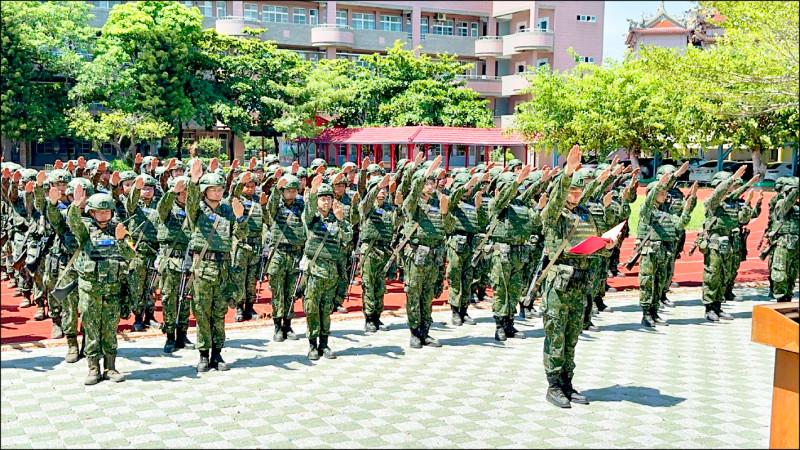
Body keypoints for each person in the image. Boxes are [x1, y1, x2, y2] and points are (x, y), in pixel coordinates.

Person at [537, 145, 618, 408]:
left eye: (579, 189)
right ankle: (554, 386)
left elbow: (593, 244)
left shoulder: (585, 213)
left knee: (572, 335)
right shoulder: (554, 213)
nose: (576, 193)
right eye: (572, 189)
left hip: (581, 281)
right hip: (559, 282)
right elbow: (557, 197)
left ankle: (568, 382)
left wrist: (606, 246)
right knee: (556, 334)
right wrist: (569, 170)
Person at [65, 187, 135, 385]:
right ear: (92, 213)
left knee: (110, 331)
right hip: (90, 291)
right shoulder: (86, 230)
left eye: (107, 211)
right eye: (99, 211)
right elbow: (73, 223)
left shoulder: (120, 230)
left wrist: (121, 240)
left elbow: (130, 256)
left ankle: (110, 368)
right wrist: (75, 206)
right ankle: (93, 368)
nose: (103, 215)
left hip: (112, 291)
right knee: (92, 330)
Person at [185, 158, 248, 372]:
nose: (218, 192)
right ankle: (203, 355)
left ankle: (218, 353)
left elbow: (240, 234)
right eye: (213, 189)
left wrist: (240, 219)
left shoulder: (228, 211)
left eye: (221, 189)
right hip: (203, 267)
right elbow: (190, 201)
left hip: (223, 267)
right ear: (205, 191)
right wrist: (193, 183)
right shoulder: (197, 210)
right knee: (202, 312)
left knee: (219, 312)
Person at [401, 156, 454, 349]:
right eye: (426, 183)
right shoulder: (412, 204)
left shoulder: (438, 203)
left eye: (432, 183)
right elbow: (413, 189)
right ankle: (414, 332)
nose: (429, 186)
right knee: (414, 293)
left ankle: (426, 331)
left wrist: (446, 212)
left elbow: (448, 228)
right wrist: (426, 172)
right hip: (416, 256)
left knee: (428, 294)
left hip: (434, 257)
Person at [301, 175, 353, 360]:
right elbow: (307, 210)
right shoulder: (311, 219)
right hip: (315, 270)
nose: (326, 202)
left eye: (329, 199)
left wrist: (341, 220)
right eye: (323, 199)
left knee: (326, 308)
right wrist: (313, 192)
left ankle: (324, 343)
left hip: (331, 271)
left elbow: (348, 238)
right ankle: (312, 344)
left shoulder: (337, 219)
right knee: (312, 308)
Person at [637, 171, 698, 327]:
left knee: (660, 282)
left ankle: (654, 311)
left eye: (665, 193)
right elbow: (647, 203)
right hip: (650, 252)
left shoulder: (667, 211)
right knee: (648, 282)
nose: (665, 196)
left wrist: (687, 210)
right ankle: (646, 314)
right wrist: (657, 185)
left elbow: (679, 225)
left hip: (664, 251)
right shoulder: (647, 211)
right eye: (661, 193)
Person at [698, 167, 759, 322]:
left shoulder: (732, 203)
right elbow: (718, 194)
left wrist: (746, 206)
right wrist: (731, 179)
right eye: (728, 186)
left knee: (725, 276)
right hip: (715, 244)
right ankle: (709, 308)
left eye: (731, 186)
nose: (731, 188)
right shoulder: (712, 203)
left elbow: (743, 220)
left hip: (729, 243)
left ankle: (718, 306)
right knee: (713, 276)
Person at [487, 167, 538, 341]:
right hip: (502, 254)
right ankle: (499, 325)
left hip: (518, 253)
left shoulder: (520, 205)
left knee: (514, 290)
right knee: (501, 290)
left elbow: (534, 219)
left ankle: (510, 323)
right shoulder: (496, 203)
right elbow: (502, 199)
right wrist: (516, 182)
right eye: (508, 187)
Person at [155, 175, 195, 353]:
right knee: (169, 297)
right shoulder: (167, 209)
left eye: (187, 192)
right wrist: (172, 193)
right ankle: (170, 336)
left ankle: (183, 334)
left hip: (188, 258)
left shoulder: (193, 209)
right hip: (170, 258)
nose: (185, 196)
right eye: (181, 193)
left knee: (185, 298)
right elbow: (161, 208)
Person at [265, 171, 307, 342]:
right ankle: (277, 326)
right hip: (279, 253)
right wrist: (276, 187)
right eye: (288, 190)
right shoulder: (276, 205)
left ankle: (288, 324)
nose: (292, 193)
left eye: (294, 190)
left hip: (295, 253)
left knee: (291, 292)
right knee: (278, 291)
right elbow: (270, 205)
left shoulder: (300, 205)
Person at [445, 172, 484, 326]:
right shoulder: (453, 202)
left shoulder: (471, 203)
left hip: (470, 243)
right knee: (455, 278)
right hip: (456, 244)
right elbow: (453, 198)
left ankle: (464, 310)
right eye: (466, 186)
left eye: (470, 187)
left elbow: (481, 222)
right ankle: (455, 310)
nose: (469, 189)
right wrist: (464, 187)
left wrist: (479, 208)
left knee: (467, 278)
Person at [357, 174, 395, 333]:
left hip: (384, 249)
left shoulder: (388, 208)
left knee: (380, 286)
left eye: (385, 189)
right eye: (379, 188)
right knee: (369, 284)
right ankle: (369, 317)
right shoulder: (367, 206)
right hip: (370, 250)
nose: (382, 191)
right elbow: (366, 200)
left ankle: (377, 316)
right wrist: (376, 186)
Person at [228, 170, 267, 322]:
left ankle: (250, 307)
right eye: (247, 186)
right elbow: (232, 197)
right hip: (241, 246)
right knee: (239, 278)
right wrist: (238, 184)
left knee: (252, 279)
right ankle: (239, 307)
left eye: (253, 186)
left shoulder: (259, 201)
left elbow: (265, 220)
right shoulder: (237, 200)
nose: (250, 189)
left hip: (255, 245)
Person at [764, 177, 798, 302]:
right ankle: (780, 298)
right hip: (784, 243)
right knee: (780, 273)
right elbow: (789, 202)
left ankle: (788, 298)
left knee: (792, 274)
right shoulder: (781, 203)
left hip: (796, 244)